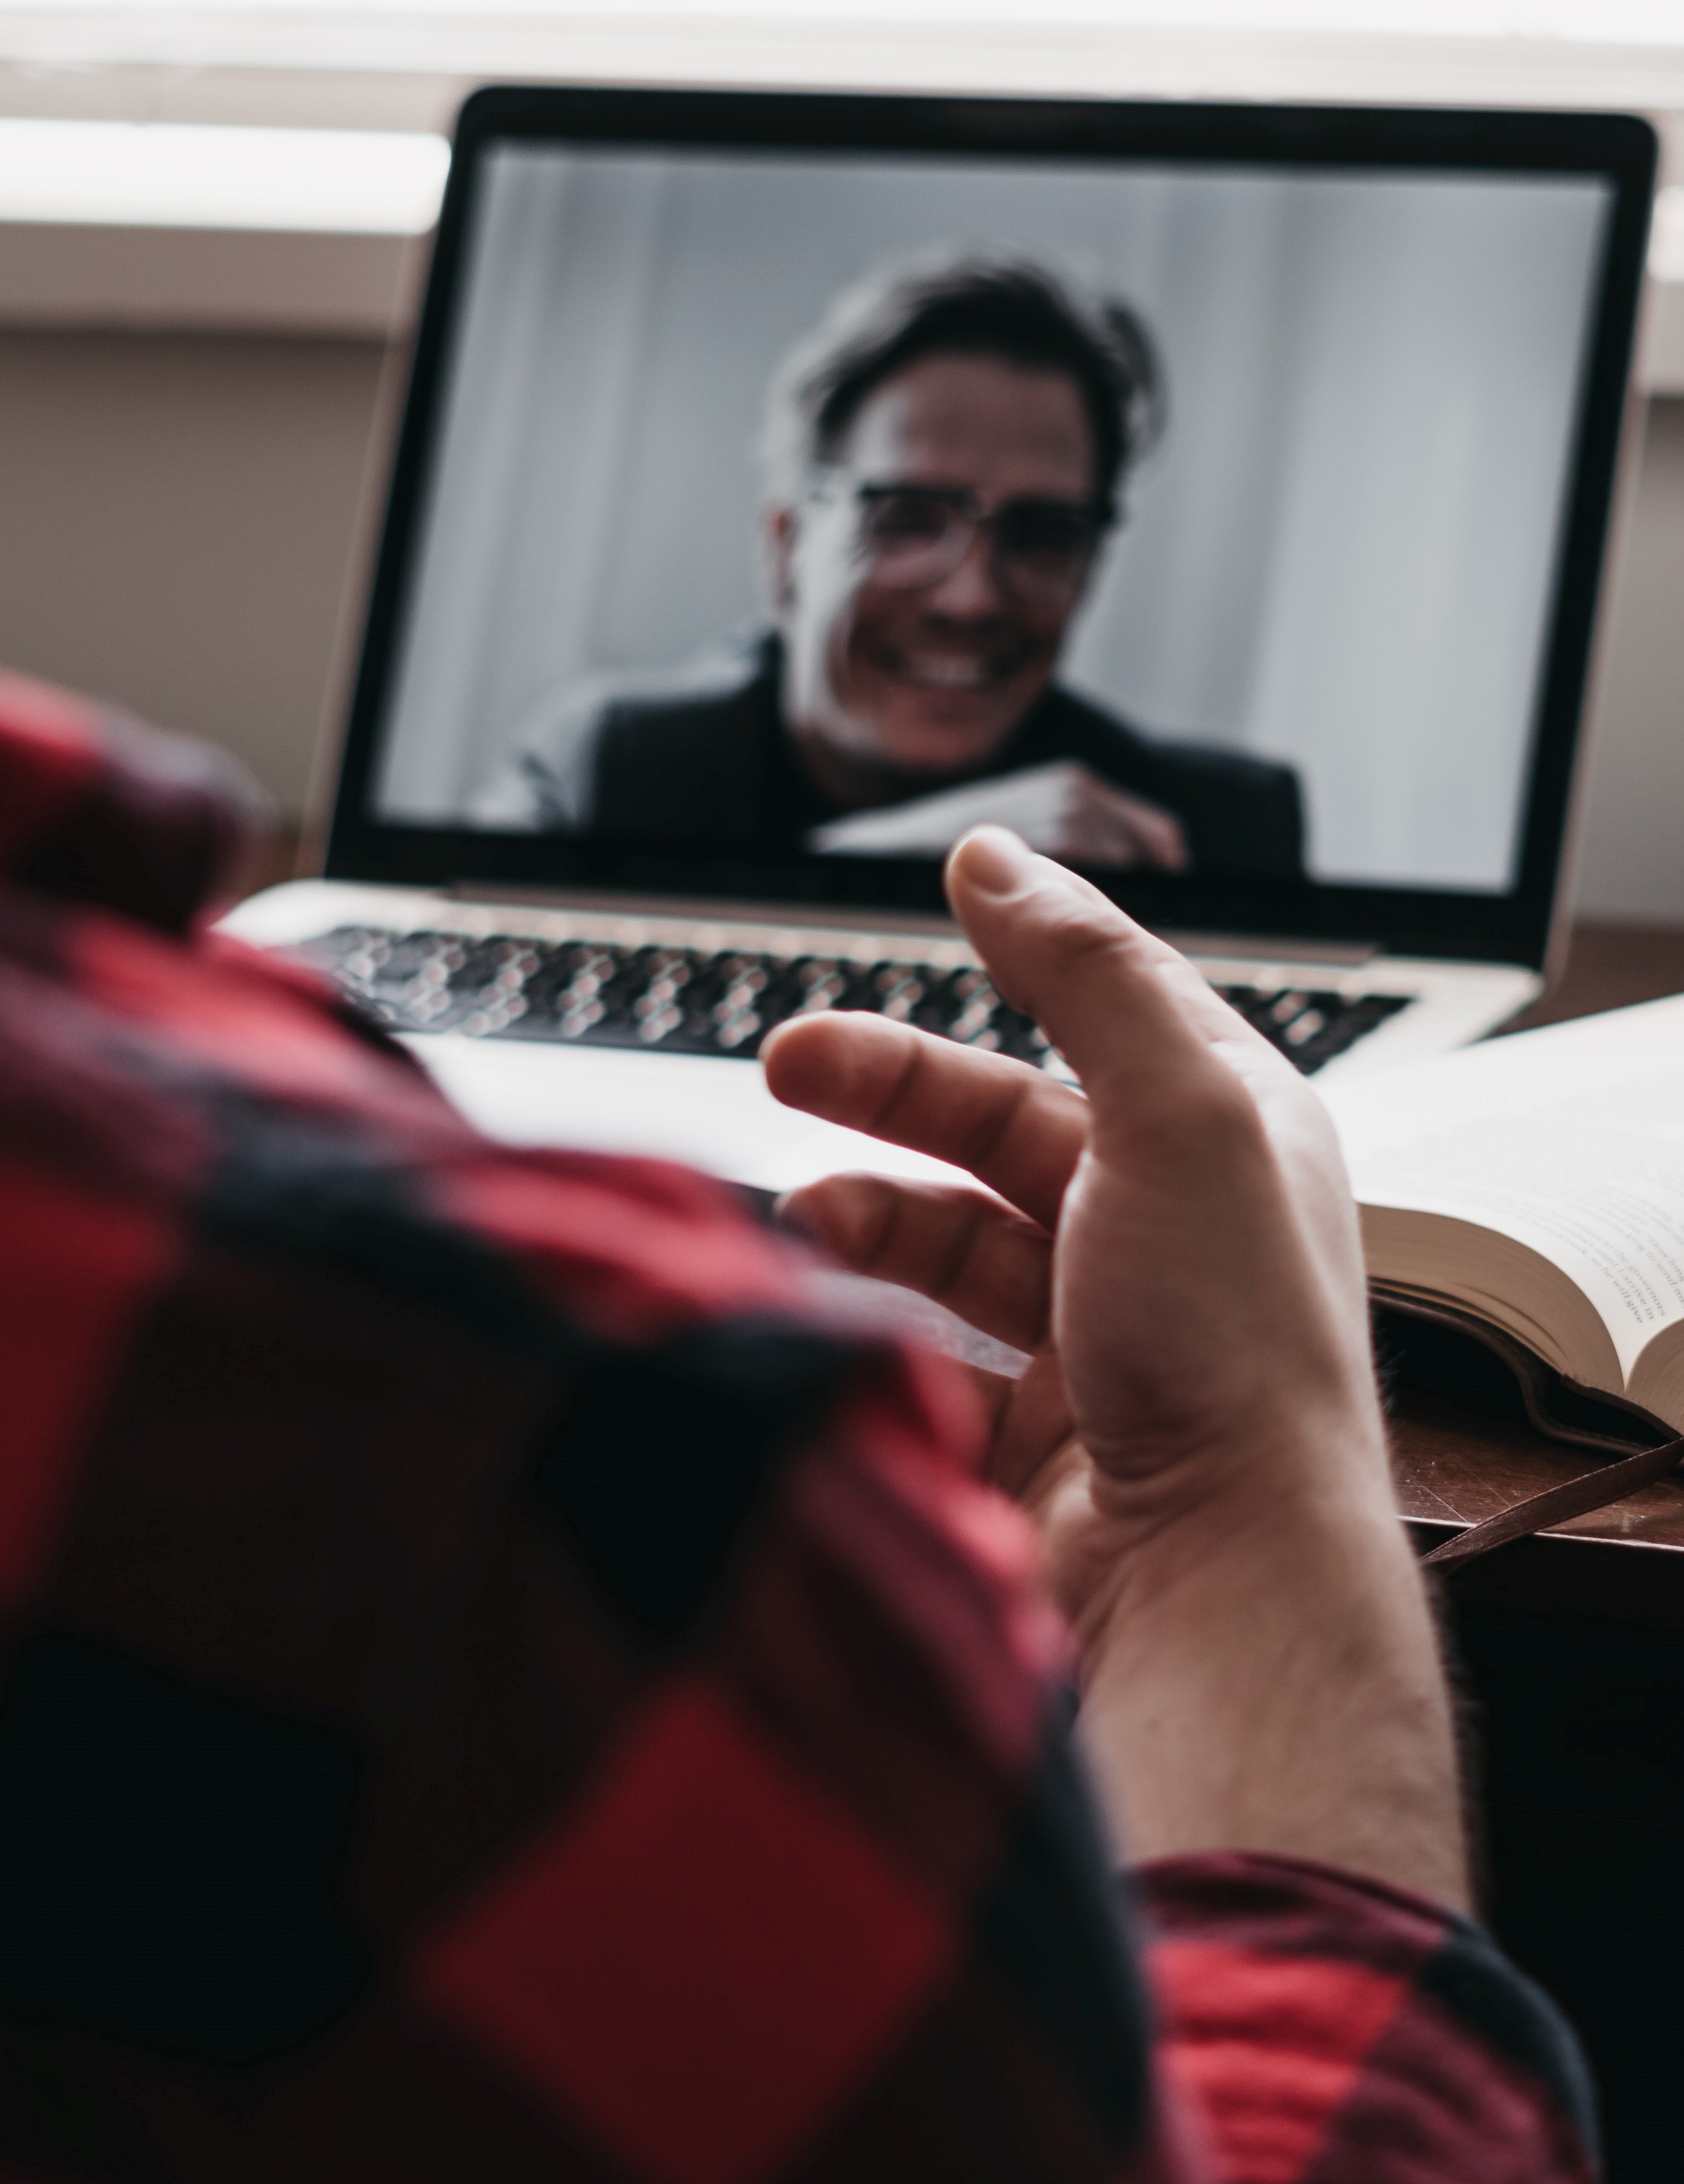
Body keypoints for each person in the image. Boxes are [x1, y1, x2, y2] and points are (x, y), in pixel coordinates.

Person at [0, 667, 1592, 2182]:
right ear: (788, 529)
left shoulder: (1199, 795)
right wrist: (1251, 1506)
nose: (973, 580)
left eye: (1038, 529)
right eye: (909, 507)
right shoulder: (533, 1439)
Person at [474, 255, 1306, 877]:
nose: (972, 597)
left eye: (1044, 532)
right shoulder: (610, 771)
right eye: (907, 519)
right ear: (788, 547)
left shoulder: (1218, 830)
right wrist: (916, 859)